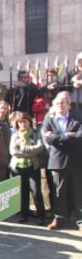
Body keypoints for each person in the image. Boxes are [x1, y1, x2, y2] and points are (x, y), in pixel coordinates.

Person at [42, 91, 82, 229]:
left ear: (69, 105)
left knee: (79, 191)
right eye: (58, 103)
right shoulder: (49, 119)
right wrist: (67, 136)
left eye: (63, 103)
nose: (60, 106)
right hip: (58, 161)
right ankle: (59, 218)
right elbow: (47, 139)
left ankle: (80, 220)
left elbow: (80, 137)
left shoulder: (78, 117)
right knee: (59, 191)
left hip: (77, 160)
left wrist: (57, 137)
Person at [9, 113, 46, 225]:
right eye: (20, 122)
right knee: (22, 192)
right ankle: (24, 215)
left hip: (32, 166)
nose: (23, 124)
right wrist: (30, 152)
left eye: (25, 121)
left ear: (29, 122)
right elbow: (14, 152)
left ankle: (41, 216)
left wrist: (24, 149)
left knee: (36, 191)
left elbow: (39, 148)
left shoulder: (35, 134)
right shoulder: (15, 136)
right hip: (18, 167)